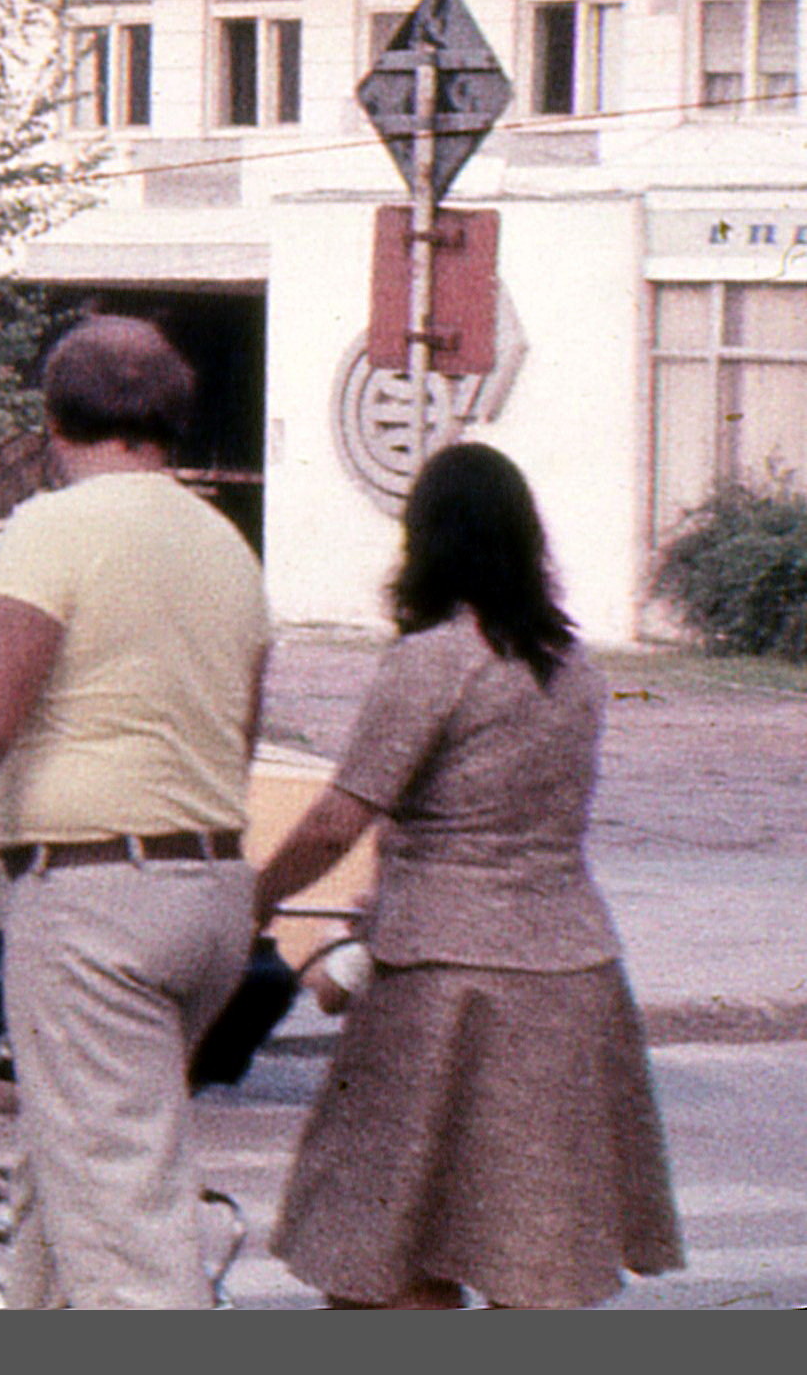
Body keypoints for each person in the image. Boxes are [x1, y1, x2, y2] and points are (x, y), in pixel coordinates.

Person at [0, 314, 269, 1308]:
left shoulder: (52, 527)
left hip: (94, 901)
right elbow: (239, 729)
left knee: (125, 1229)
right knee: (68, 1175)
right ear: (173, 413)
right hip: (208, 888)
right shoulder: (225, 546)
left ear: (49, 415)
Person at [250, 445, 683, 1308]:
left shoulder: (434, 660)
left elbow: (344, 812)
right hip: (571, 975)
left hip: (442, 981)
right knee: (536, 1253)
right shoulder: (574, 668)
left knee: (384, 1252)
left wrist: (252, 897)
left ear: (425, 541)